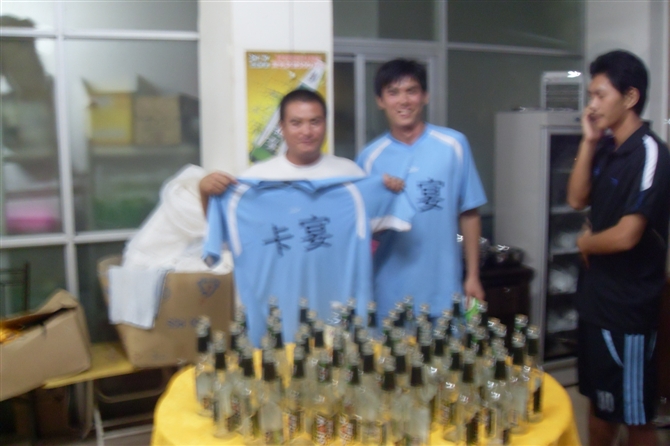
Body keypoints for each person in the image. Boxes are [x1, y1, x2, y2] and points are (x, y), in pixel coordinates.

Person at [567, 50, 670, 446]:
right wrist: (589, 140)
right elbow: (576, 198)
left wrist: (585, 242)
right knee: (599, 405)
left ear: (630, 97)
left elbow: (628, 234)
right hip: (596, 300)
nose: (591, 105)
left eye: (600, 95)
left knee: (635, 417)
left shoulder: (650, 153)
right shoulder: (607, 146)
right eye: (590, 96)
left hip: (628, 310)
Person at [356, 58, 487, 321]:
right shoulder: (369, 158)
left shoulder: (453, 145)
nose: (403, 101)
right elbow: (361, 230)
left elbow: (469, 213)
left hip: (444, 290)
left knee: (446, 349)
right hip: (387, 293)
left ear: (425, 96)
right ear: (380, 101)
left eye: (411, 91)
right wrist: (382, 198)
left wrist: (473, 275)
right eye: (393, 93)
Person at [199, 89, 403, 213]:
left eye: (315, 122)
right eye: (296, 123)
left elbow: (374, 230)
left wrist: (388, 192)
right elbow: (228, 234)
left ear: (326, 124)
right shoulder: (255, 179)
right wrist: (205, 194)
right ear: (282, 127)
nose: (306, 132)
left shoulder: (351, 174)